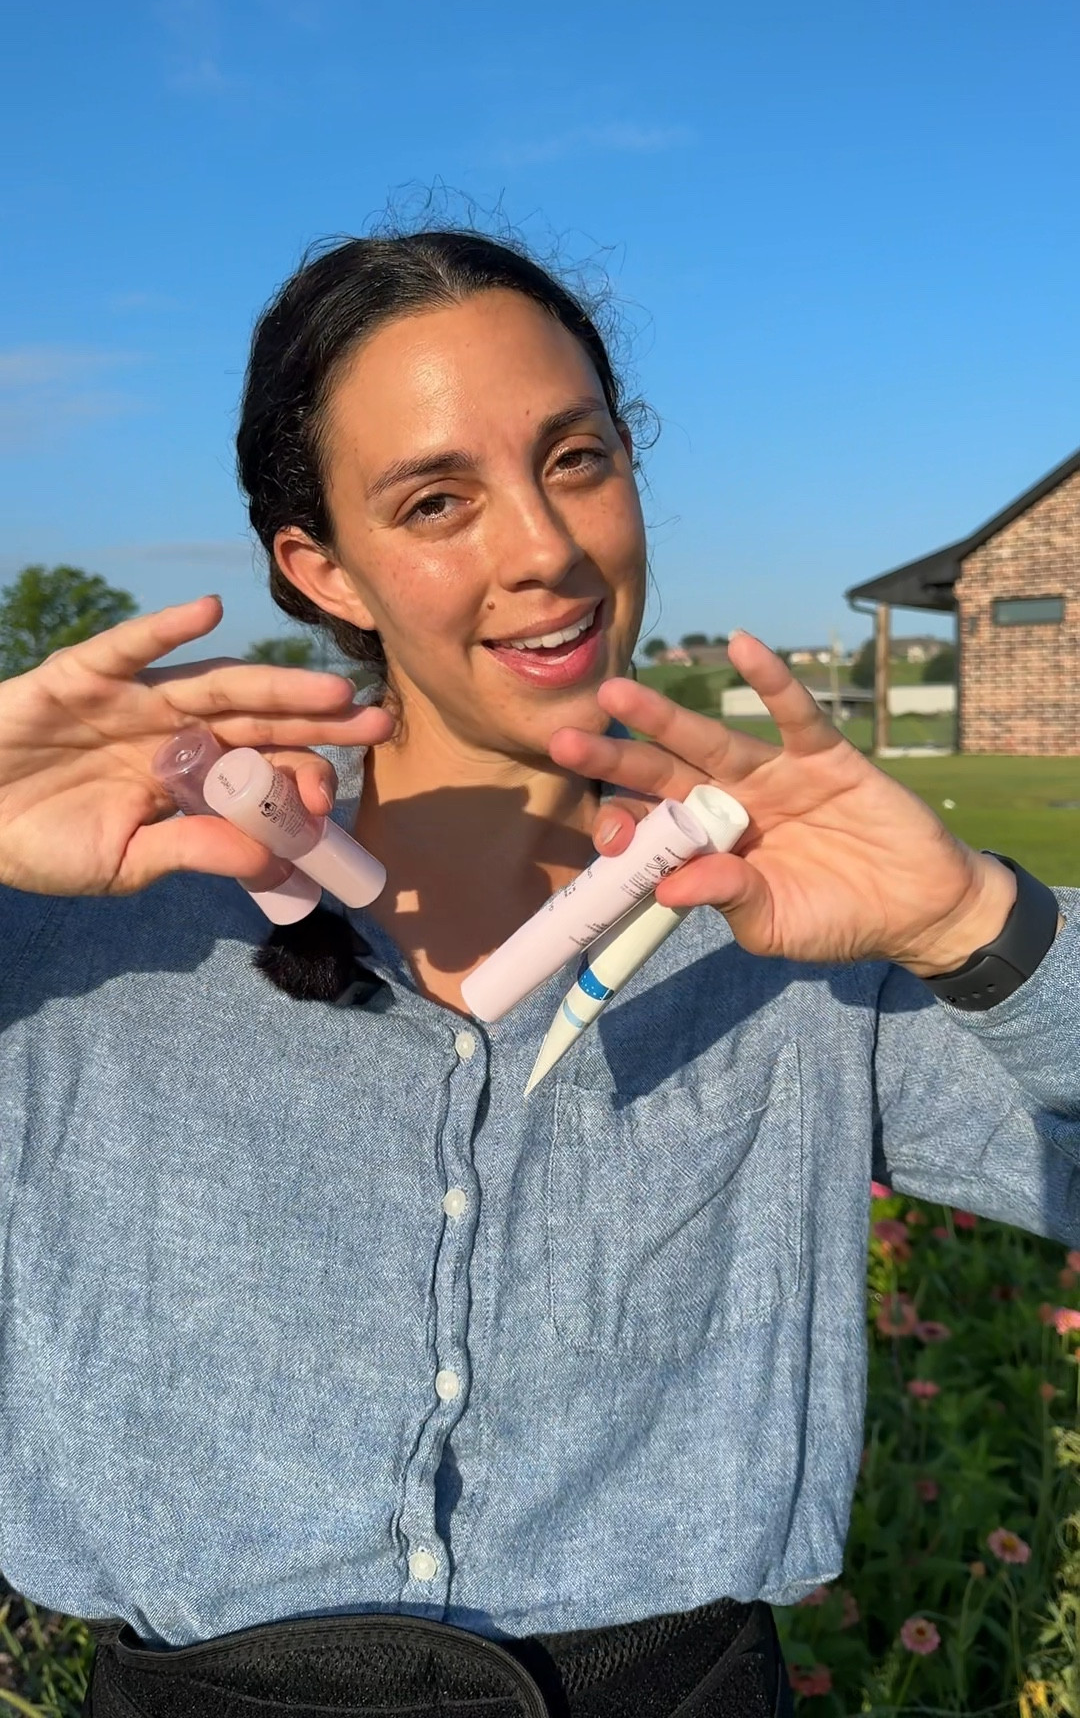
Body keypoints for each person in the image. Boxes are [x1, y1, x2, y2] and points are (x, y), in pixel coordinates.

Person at [0, 229, 1074, 1718]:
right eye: (436, 500)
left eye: (575, 460)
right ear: (321, 568)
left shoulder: (791, 929)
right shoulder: (93, 920)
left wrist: (969, 917)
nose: (544, 548)